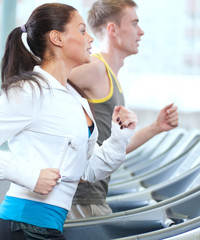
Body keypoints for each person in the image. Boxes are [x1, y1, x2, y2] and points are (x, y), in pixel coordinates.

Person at [0, 3, 138, 240]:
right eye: (82, 30)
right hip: (23, 225)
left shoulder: (76, 98)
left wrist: (119, 136)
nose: (90, 39)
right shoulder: (31, 91)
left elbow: (88, 169)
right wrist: (30, 176)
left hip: (44, 225)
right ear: (57, 38)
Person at [67, 0, 179, 219]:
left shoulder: (111, 77)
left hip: (92, 196)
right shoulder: (96, 68)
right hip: (82, 199)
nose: (142, 31)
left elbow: (114, 148)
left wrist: (157, 127)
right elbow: (45, 79)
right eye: (135, 23)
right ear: (112, 29)